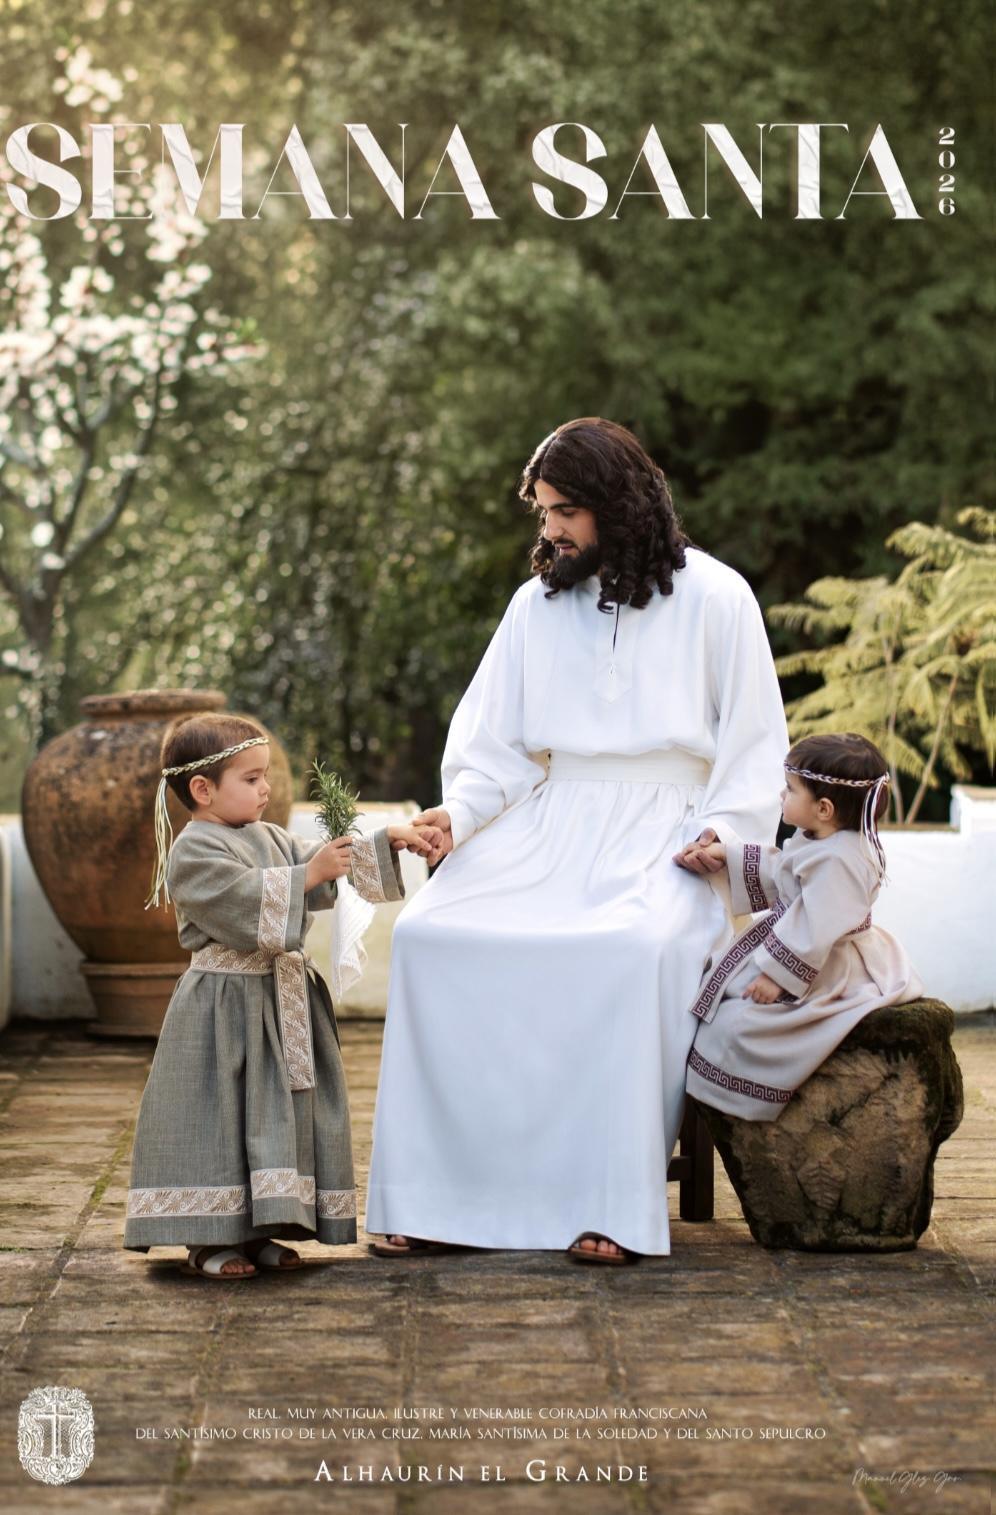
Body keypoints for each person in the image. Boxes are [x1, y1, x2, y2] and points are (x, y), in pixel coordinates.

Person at [365, 416, 789, 1264]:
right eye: (543, 512)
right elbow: (494, 752)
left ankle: (609, 1203)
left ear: (618, 504)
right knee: (430, 934)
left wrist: (723, 835)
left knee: (632, 949)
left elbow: (753, 747)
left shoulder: (718, 596)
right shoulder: (535, 606)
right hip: (551, 823)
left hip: (671, 832)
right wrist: (462, 814)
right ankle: (438, 1198)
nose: (549, 530)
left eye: (565, 511)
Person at [123, 713, 441, 1279]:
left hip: (278, 1000)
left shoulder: (269, 837)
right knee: (221, 1117)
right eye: (250, 778)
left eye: (264, 775)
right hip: (223, 1009)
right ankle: (209, 1240)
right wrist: (305, 875)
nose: (265, 788)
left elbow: (323, 864)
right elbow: (245, 903)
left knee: (276, 1115)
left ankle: (265, 1228)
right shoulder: (192, 851)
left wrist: (382, 842)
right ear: (202, 788)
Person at [677, 732, 923, 1120]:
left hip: (826, 964)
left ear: (824, 808)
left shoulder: (842, 860)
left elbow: (817, 924)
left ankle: (741, 1101)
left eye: (790, 790)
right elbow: (784, 871)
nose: (781, 796)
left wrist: (778, 978)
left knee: (740, 1026)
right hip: (803, 947)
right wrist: (728, 854)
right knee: (726, 1001)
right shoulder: (820, 839)